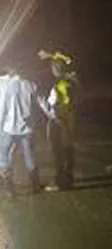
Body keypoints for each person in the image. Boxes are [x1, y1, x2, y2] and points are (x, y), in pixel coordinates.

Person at [0, 66, 49, 196]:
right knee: (29, 155)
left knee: (4, 155)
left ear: (10, 72)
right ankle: (35, 185)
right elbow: (41, 101)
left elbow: (3, 108)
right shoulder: (29, 84)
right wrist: (51, 114)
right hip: (27, 128)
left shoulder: (7, 87)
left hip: (9, 128)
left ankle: (9, 188)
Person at [45, 58, 79, 191]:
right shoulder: (73, 82)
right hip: (71, 119)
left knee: (58, 152)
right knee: (69, 149)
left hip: (59, 120)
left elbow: (55, 104)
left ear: (55, 69)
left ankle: (60, 181)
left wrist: (48, 108)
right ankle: (69, 179)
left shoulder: (59, 84)